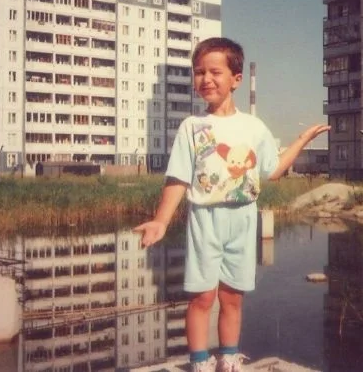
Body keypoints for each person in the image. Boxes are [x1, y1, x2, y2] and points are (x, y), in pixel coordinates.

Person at [133, 37, 329, 372]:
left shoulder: (253, 126)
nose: (206, 79)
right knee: (202, 296)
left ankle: (228, 357)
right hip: (205, 220)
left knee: (232, 297)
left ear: (236, 79)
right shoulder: (192, 127)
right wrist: (161, 220)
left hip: (243, 219)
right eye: (199, 72)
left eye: (215, 72)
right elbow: (178, 178)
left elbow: (273, 170)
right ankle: (199, 361)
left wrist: (301, 140)